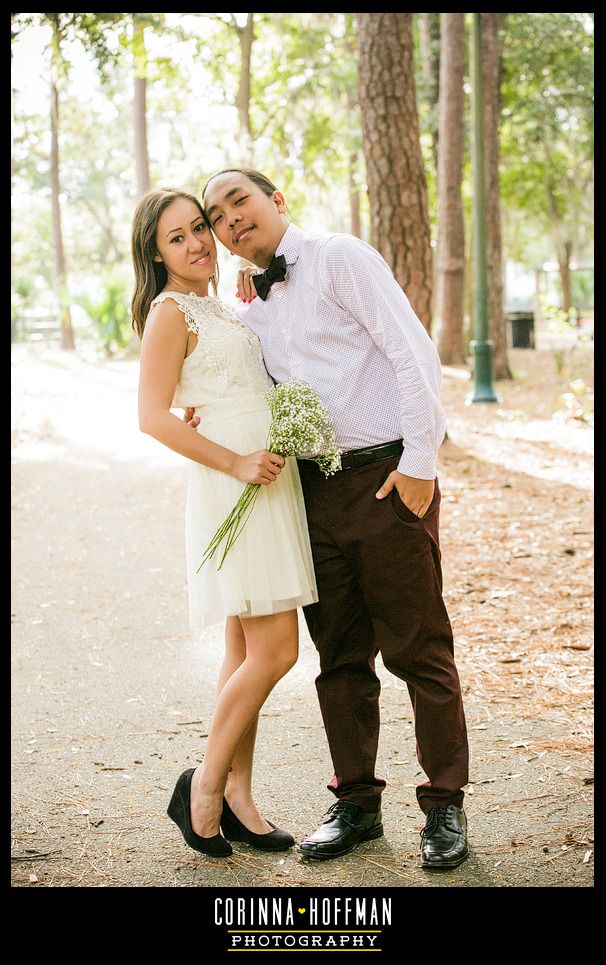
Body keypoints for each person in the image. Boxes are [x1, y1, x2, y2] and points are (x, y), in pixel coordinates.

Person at [191, 168, 470, 870]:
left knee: (418, 649)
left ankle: (444, 805)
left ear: (275, 200)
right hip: (311, 493)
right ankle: (356, 802)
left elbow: (412, 351)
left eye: (240, 201)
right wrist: (201, 407)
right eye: (217, 216)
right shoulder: (252, 310)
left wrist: (419, 464)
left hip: (386, 479)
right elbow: (239, 382)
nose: (231, 219)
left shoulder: (341, 256)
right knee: (340, 658)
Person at [131, 187, 318, 859]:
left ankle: (239, 795)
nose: (197, 242)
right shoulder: (170, 311)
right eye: (177, 237)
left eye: (200, 227)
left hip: (264, 476)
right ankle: (203, 787)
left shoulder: (216, 304)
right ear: (157, 253)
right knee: (277, 652)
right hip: (238, 479)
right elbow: (152, 415)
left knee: (244, 653)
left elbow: (226, 382)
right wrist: (235, 460)